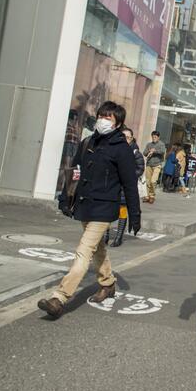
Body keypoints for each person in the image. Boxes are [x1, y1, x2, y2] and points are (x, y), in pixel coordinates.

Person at [38, 101, 141, 319]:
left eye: (109, 117)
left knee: (84, 251)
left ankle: (59, 298)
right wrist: (65, 198)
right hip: (85, 205)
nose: (103, 120)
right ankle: (108, 282)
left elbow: (130, 183)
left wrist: (135, 214)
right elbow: (75, 172)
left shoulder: (121, 149)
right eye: (101, 115)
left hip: (105, 208)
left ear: (118, 123)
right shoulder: (87, 142)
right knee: (97, 249)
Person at [106, 125, 145, 247]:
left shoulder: (135, 153)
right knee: (106, 211)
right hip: (112, 185)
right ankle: (105, 235)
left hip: (125, 187)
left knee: (122, 210)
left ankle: (118, 238)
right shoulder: (113, 149)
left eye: (128, 137)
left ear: (132, 139)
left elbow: (140, 169)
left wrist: (127, 176)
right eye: (123, 137)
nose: (126, 139)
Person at [143, 131, 166, 204]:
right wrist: (149, 151)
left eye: (155, 137)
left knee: (153, 181)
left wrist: (154, 151)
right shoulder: (149, 144)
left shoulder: (161, 144)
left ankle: (152, 196)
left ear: (158, 137)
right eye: (153, 137)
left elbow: (162, 151)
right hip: (149, 164)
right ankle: (147, 196)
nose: (154, 138)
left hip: (157, 165)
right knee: (147, 181)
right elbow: (144, 153)